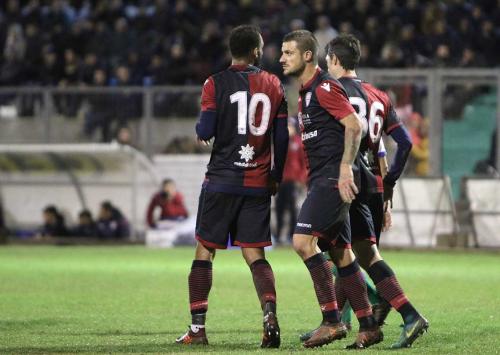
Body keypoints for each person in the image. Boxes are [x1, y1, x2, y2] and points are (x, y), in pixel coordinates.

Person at [175, 25, 289, 348]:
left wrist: (201, 126)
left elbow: (206, 128)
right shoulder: (275, 84)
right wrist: (276, 175)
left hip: (222, 181)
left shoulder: (214, 83)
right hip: (257, 183)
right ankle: (269, 314)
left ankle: (197, 330)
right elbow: (281, 137)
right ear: (255, 51)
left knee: (205, 251)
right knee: (254, 253)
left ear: (231, 51)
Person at [324, 34, 428, 349]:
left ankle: (369, 304)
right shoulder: (378, 96)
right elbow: (406, 143)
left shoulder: (331, 92)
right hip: (373, 183)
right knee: (361, 252)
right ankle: (374, 315)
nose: (326, 65)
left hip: (345, 181)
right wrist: (390, 182)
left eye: (328, 59)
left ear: (336, 61)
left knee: (320, 247)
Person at [280, 30, 382, 349]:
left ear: (307, 56)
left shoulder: (323, 86)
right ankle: (368, 325)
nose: (281, 58)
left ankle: (332, 321)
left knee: (301, 242)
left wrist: (343, 168)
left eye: (288, 53)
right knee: (341, 253)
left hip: (330, 179)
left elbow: (355, 125)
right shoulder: (306, 92)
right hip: (323, 179)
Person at [275, 117, 307, 244]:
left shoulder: (298, 142)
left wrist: (302, 179)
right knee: (279, 209)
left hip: (293, 181)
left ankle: (292, 235)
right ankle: (277, 236)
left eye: (290, 126)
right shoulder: (280, 142)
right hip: (281, 181)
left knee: (293, 209)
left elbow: (303, 163)